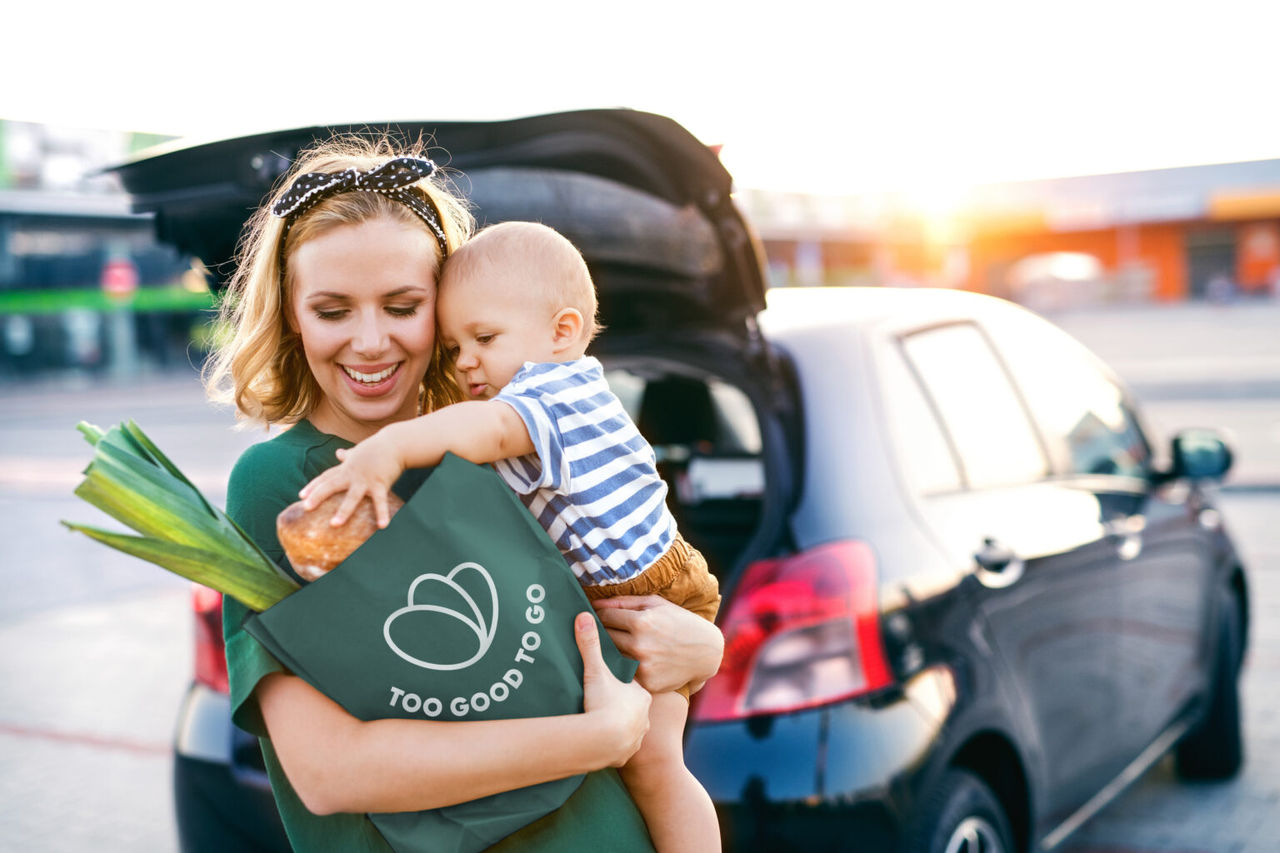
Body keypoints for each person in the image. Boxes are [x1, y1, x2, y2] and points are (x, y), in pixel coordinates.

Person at [206, 136, 724, 853]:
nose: (370, 341)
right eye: (332, 310)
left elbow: (595, 615)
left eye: (402, 305)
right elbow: (328, 771)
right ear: (292, 316)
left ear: (445, 309)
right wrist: (596, 736)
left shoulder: (492, 451)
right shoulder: (285, 484)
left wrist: (703, 645)